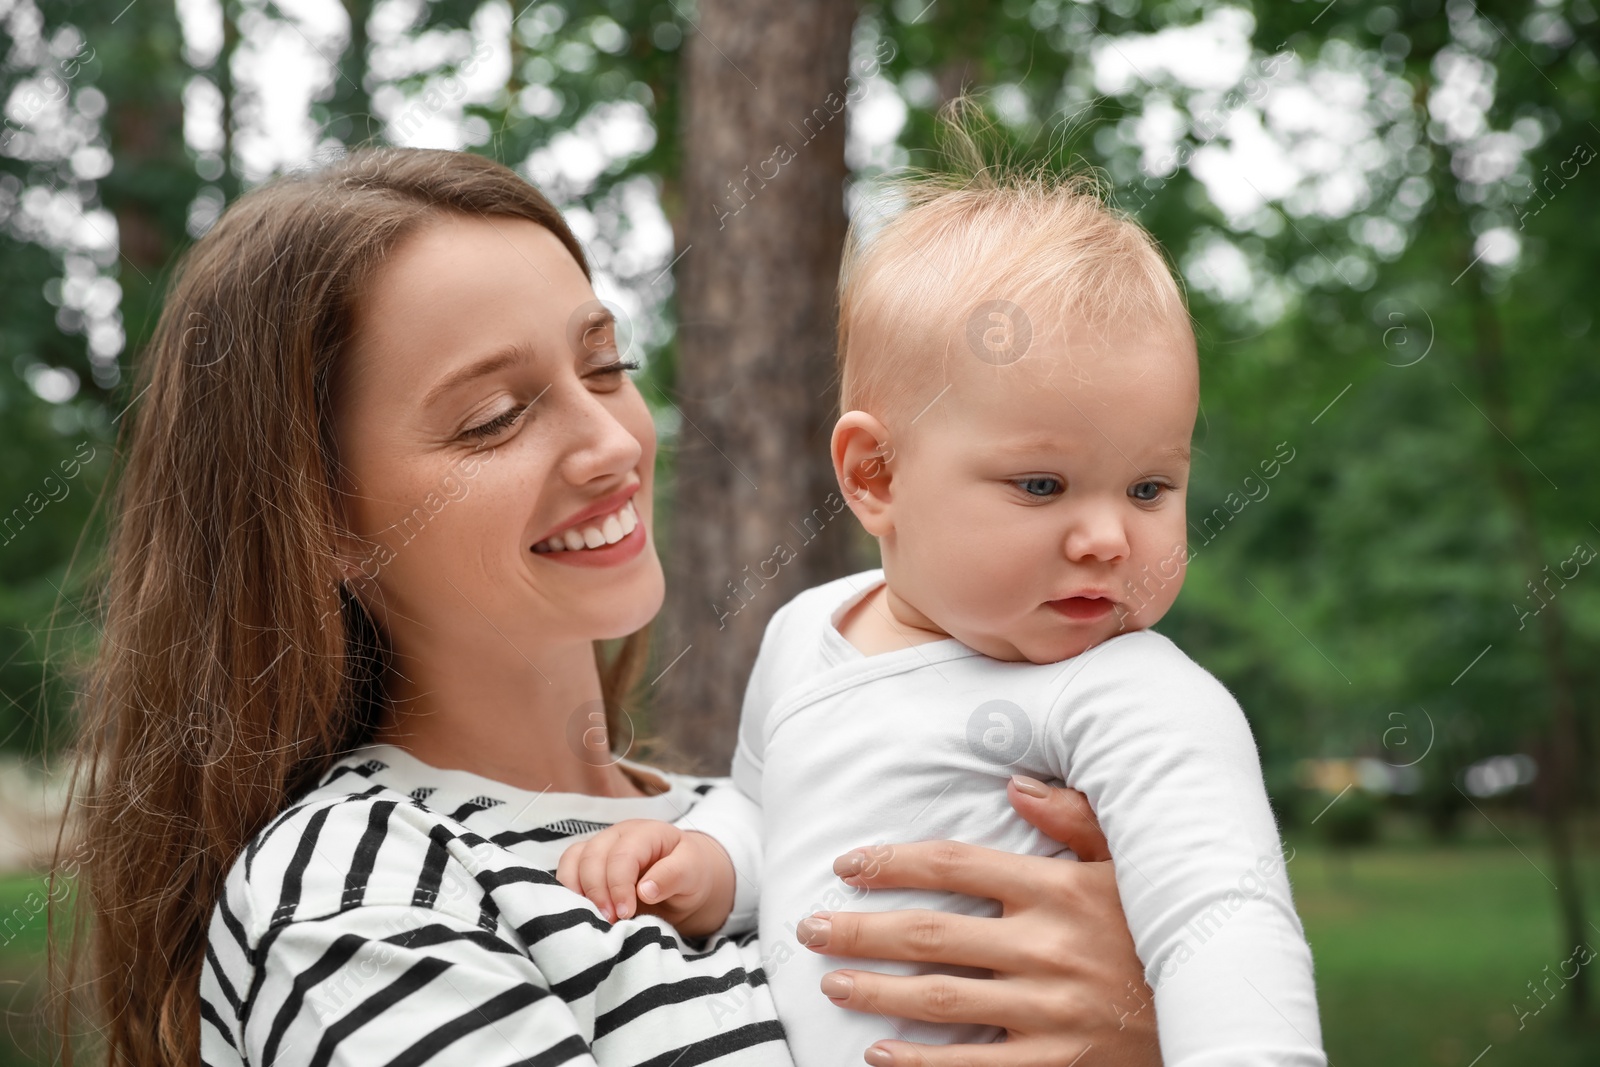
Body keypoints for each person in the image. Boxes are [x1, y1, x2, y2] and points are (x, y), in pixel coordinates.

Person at [54, 145, 1163, 1067]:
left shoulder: (768, 810)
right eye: (493, 416)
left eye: (604, 365)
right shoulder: (359, 892)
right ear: (323, 517)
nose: (610, 443)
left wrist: (1156, 1006)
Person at [558, 113, 1328, 1066]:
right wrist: (709, 863)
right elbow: (767, 809)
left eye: (1149, 487)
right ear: (876, 474)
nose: (1105, 537)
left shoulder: (1135, 691)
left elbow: (1225, 925)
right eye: (1042, 485)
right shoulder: (808, 632)